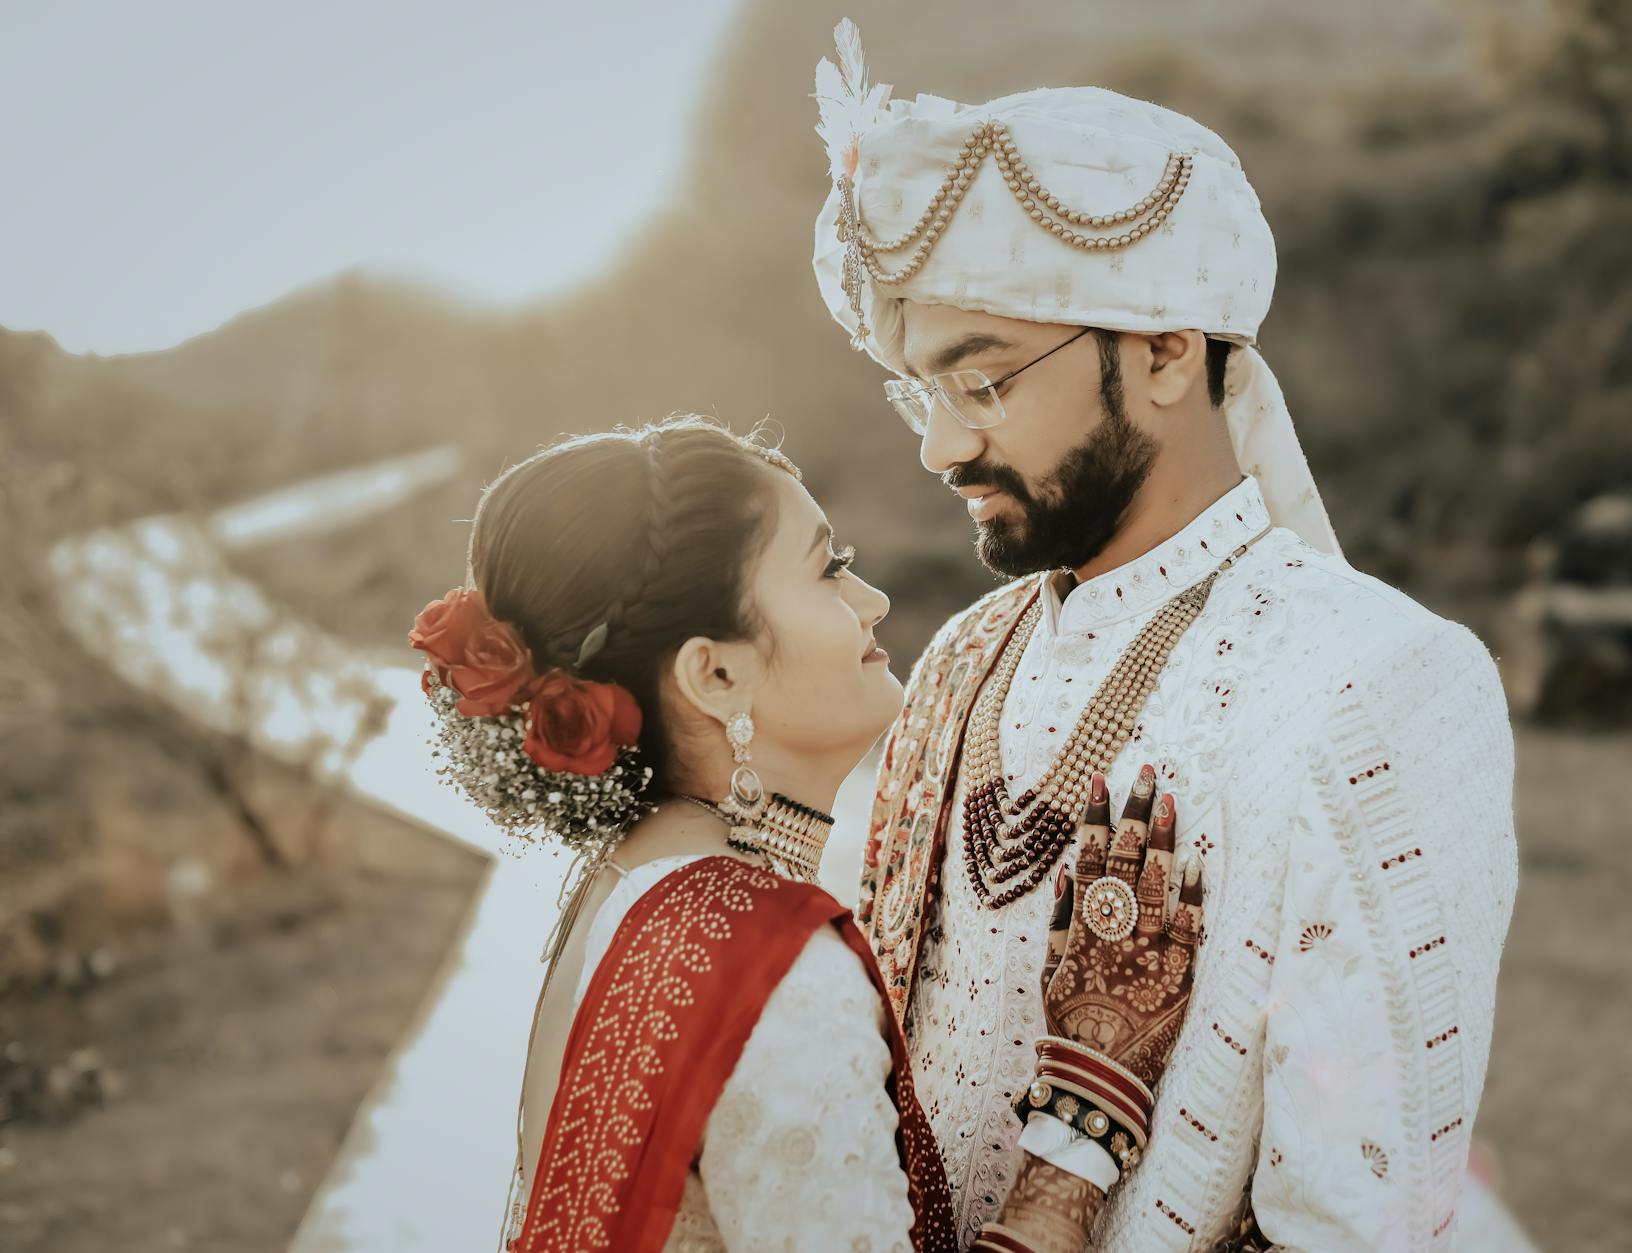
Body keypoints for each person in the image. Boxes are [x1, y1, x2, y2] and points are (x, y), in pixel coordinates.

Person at [810, 20, 1519, 1251]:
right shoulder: (963, 653)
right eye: (919, 391)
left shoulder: (1378, 679)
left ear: (1162, 353)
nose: (939, 445)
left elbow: (1353, 1218)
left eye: (982, 382)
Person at [409, 417, 1210, 1253]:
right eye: (830, 569)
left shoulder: (618, 885)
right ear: (716, 673)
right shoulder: (773, 965)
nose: (873, 601)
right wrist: (1085, 1113)